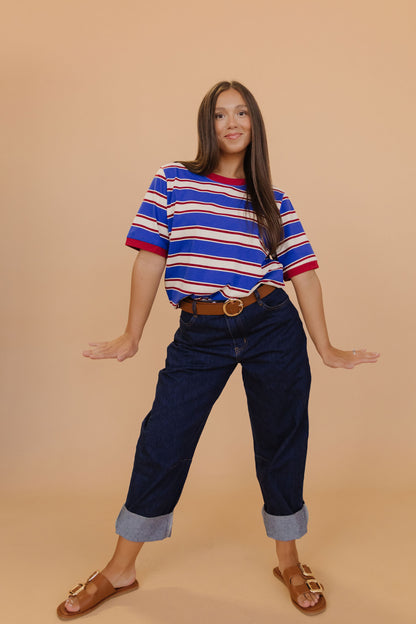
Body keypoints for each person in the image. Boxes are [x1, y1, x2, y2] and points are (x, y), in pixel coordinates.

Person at [57, 81, 379, 619]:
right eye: (220, 114)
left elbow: (304, 273)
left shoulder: (273, 199)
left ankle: (289, 560)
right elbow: (149, 258)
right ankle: (120, 569)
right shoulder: (173, 181)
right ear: (207, 125)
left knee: (281, 440)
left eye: (242, 113)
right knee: (163, 439)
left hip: (271, 325)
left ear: (255, 125)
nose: (232, 123)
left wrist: (325, 346)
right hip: (199, 334)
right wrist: (131, 334)